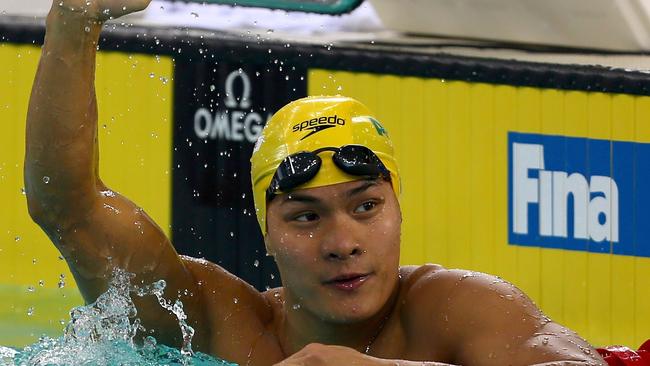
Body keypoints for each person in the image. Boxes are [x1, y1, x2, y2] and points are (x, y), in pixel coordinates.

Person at [25, 0, 606, 365]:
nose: (342, 241)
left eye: (366, 206)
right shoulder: (218, 325)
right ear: (266, 232)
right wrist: (74, 20)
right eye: (305, 216)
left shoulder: (455, 308)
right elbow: (68, 207)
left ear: (398, 208)